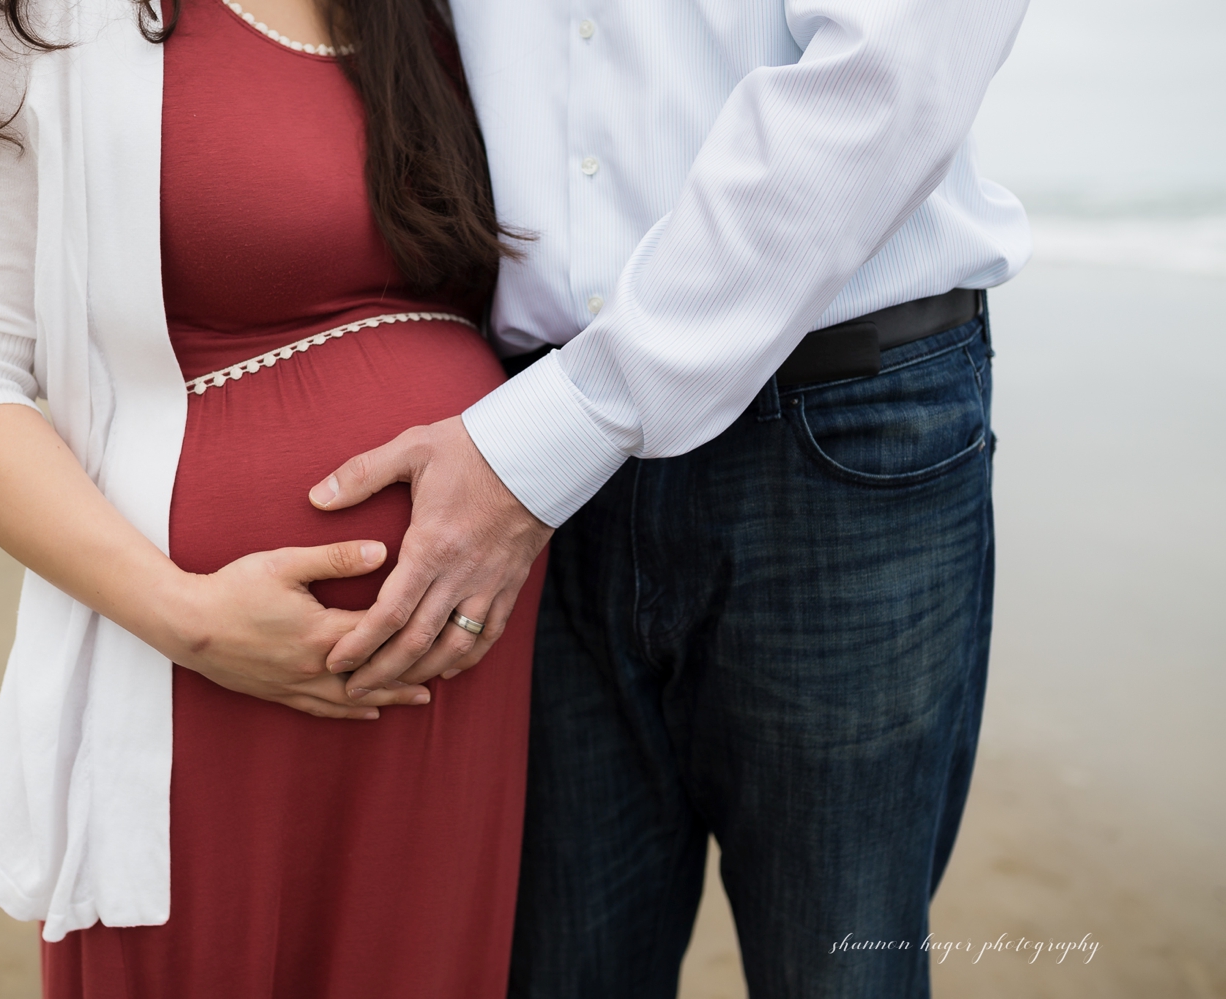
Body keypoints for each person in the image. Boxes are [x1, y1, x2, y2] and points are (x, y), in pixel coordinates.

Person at [309, 0, 1031, 996]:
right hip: (522, 440)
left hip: (834, 425)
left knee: (841, 968)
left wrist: (571, 420)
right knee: (560, 970)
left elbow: (895, 67)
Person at [0, 0, 542, 995]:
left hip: (465, 670)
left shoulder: (450, 20)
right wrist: (188, 619)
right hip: (211, 670)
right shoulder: (37, 23)